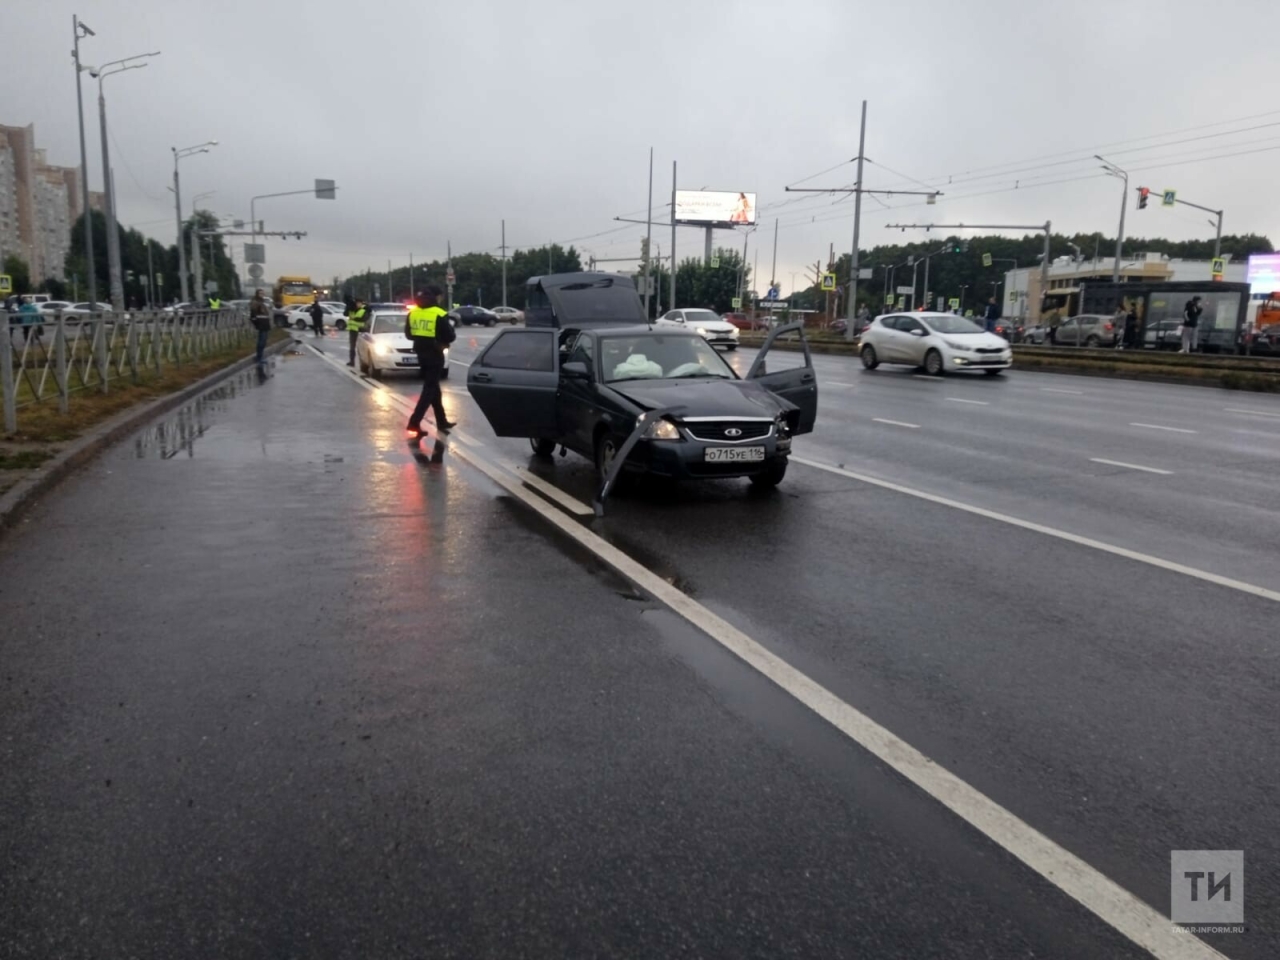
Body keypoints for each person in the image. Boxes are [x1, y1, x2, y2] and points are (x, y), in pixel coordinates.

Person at [404, 285, 457, 438]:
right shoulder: (439, 313)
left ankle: (442, 421)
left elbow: (408, 334)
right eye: (441, 296)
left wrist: (423, 339)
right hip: (435, 353)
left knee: (434, 387)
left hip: (421, 353)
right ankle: (414, 422)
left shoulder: (413, 313)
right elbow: (449, 336)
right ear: (437, 297)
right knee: (429, 389)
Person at [249, 290, 271, 367]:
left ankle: (260, 356)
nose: (262, 294)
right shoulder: (255, 302)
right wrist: (256, 324)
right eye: (261, 293)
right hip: (261, 324)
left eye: (263, 293)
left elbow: (266, 314)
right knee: (261, 342)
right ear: (257, 294)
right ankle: (259, 357)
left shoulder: (262, 302)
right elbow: (253, 316)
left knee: (264, 342)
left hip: (265, 324)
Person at [346, 298, 367, 367]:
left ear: (362, 303)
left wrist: (355, 318)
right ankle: (352, 361)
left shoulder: (364, 310)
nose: (358, 304)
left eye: (359, 303)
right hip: (353, 330)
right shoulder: (352, 310)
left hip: (361, 330)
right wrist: (348, 307)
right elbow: (345, 313)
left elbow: (364, 319)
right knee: (352, 347)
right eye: (357, 303)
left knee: (363, 347)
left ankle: (364, 362)